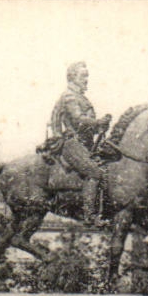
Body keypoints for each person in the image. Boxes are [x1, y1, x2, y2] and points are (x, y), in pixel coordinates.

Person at [42, 62, 113, 225]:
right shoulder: (70, 96)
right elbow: (78, 120)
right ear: (72, 77)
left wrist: (101, 126)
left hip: (85, 144)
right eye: (83, 76)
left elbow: (88, 126)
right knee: (94, 172)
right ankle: (89, 215)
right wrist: (98, 122)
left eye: (87, 76)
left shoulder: (82, 98)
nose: (86, 79)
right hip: (71, 144)